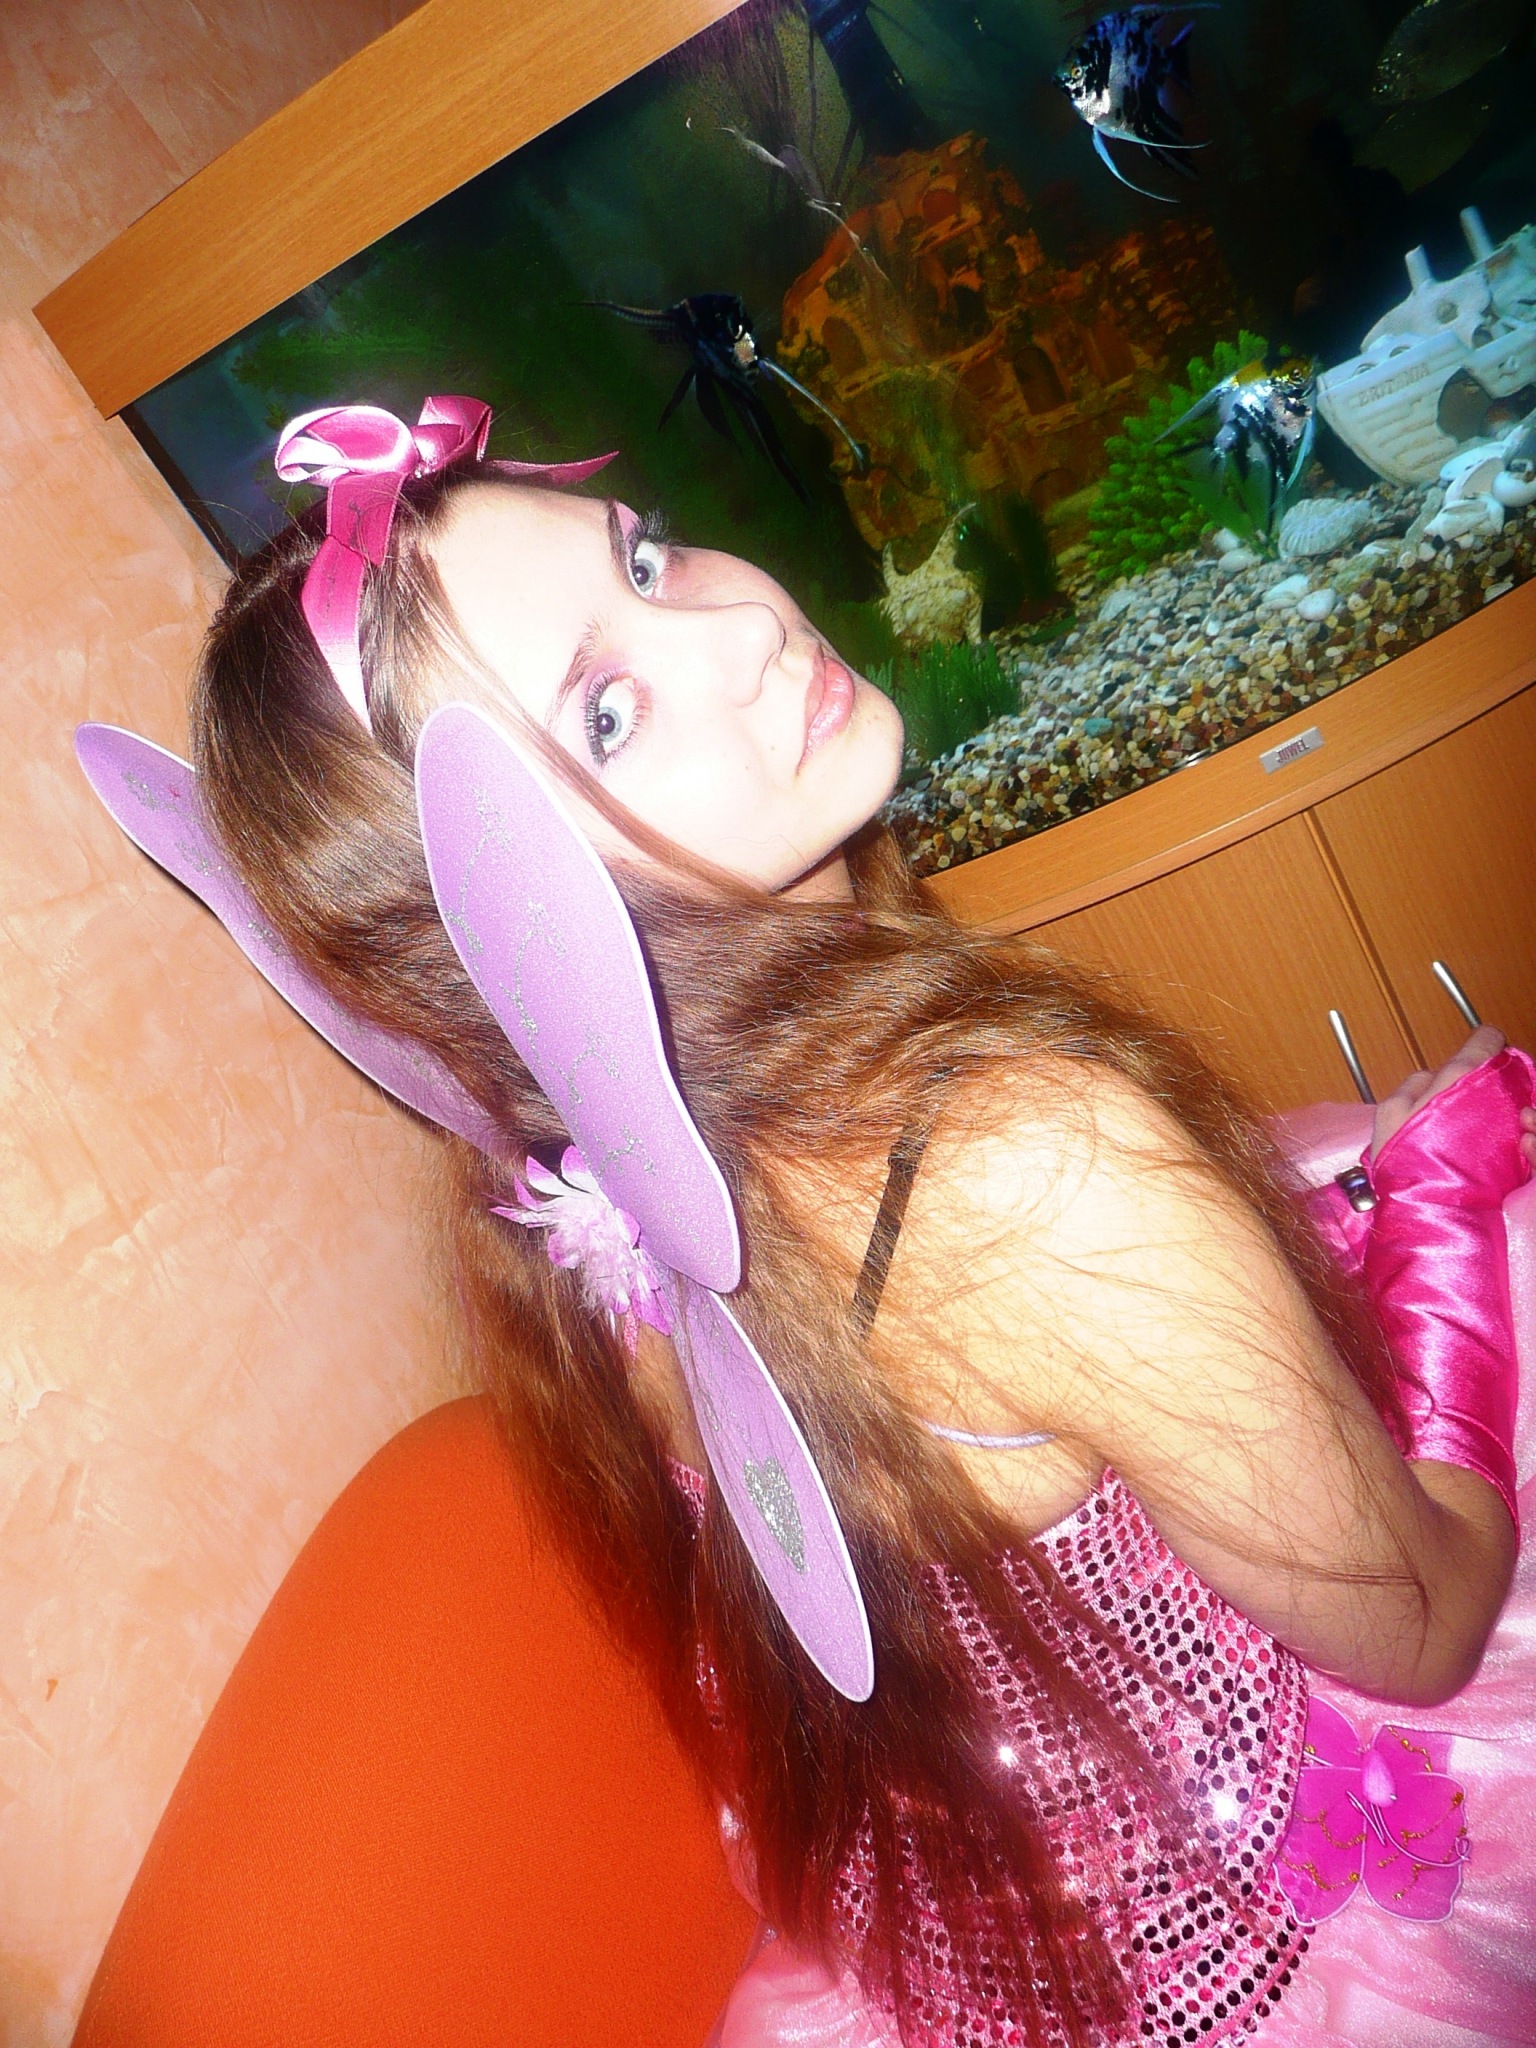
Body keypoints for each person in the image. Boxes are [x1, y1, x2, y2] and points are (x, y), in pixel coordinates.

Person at [119, 400, 1536, 2045]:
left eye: (644, 557)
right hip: (1239, 1958)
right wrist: (1442, 1221)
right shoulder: (1024, 1168)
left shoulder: (578, 1208)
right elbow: (1422, 1625)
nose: (738, 622)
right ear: (493, 925)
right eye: (605, 712)